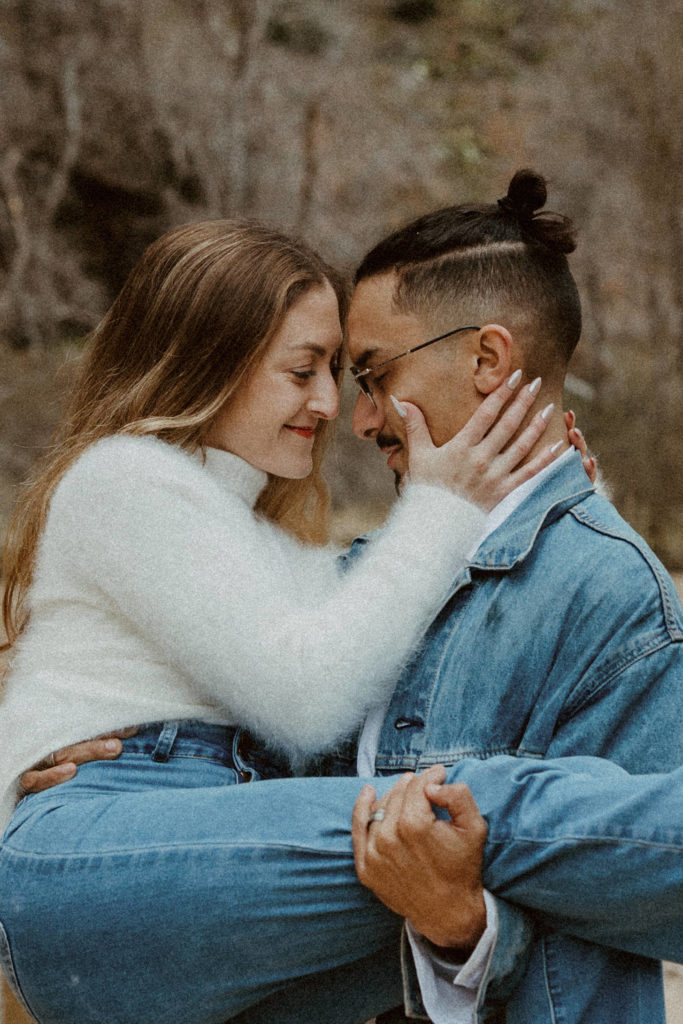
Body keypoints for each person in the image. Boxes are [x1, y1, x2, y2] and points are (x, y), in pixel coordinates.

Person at [8, 172, 682, 1024]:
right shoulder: (126, 479)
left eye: (353, 372)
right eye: (310, 372)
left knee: (502, 866)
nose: (337, 411)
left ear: (487, 361)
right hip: (110, 852)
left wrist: (555, 524)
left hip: (215, 876)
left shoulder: (273, 547)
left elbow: (601, 911)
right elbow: (306, 691)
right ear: (213, 360)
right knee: (458, 815)